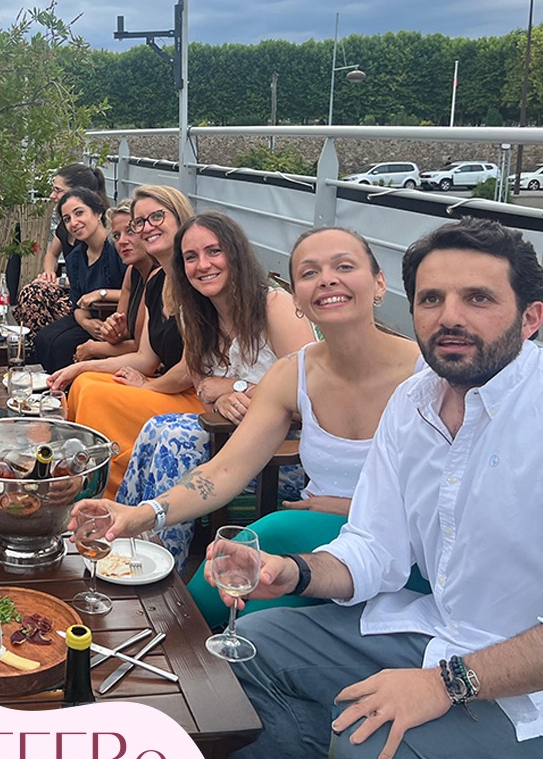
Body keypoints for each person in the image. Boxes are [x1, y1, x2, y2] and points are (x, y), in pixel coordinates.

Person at [222, 217, 543, 759]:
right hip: (436, 633)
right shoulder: (414, 403)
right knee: (252, 647)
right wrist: (288, 572)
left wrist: (446, 685)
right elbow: (375, 548)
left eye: (478, 298)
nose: (450, 317)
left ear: (530, 319)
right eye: (431, 299)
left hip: (523, 686)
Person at [98, 227, 417, 592]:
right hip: (314, 534)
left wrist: (351, 507)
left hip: (397, 545)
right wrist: (142, 515)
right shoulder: (291, 373)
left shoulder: (429, 378)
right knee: (205, 598)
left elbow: (461, 505)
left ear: (379, 284)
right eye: (310, 273)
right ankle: (141, 570)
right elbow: (224, 470)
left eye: (344, 267)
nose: (327, 280)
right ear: (297, 297)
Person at [114, 212, 316, 567]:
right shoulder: (199, 315)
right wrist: (220, 395)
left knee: (179, 439)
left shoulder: (274, 306)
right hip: (230, 442)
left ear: (235, 254)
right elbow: (202, 386)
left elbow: (309, 398)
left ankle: (161, 569)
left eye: (214, 252)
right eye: (191, 257)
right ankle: (123, 541)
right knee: (156, 428)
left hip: (283, 456)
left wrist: (237, 387)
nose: (202, 265)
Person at [47, 185, 197, 495]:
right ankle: (77, 478)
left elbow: (191, 368)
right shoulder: (158, 281)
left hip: (193, 394)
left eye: (157, 217)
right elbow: (145, 358)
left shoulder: (196, 278)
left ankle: (106, 493)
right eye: (141, 222)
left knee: (95, 397)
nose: (146, 228)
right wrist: (80, 368)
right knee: (85, 383)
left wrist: (149, 386)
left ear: (180, 218)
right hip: (168, 382)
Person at [32, 188, 125, 372]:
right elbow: (77, 305)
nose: (74, 223)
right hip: (91, 320)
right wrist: (86, 323)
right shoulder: (75, 258)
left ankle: (71, 391)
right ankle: (56, 391)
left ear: (98, 213)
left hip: (119, 319)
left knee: (62, 346)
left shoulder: (118, 248)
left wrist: (101, 294)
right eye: (67, 219)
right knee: (43, 339)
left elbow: (137, 293)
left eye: (79, 213)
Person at [15, 162, 108, 344]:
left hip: (90, 296)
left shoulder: (93, 229)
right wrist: (49, 273)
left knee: (35, 296)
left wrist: (60, 281)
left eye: (58, 190)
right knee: (32, 293)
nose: (52, 195)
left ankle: (36, 348)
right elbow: (51, 254)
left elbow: (96, 275)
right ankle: (37, 347)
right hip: (73, 290)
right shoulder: (65, 226)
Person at [73, 200, 153, 363]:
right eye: (116, 236)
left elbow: (141, 348)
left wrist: (92, 348)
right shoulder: (132, 272)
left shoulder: (157, 274)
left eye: (130, 231)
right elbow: (122, 333)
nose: (122, 241)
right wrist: (112, 331)